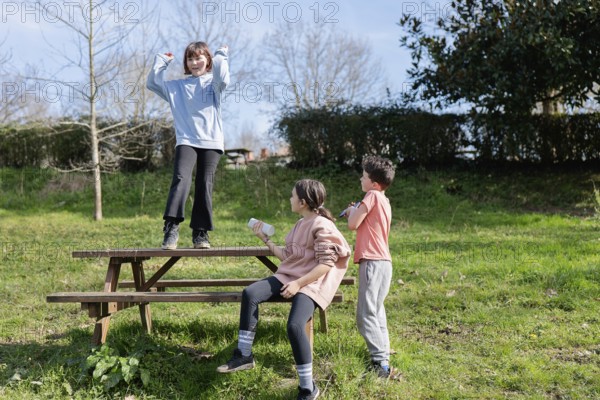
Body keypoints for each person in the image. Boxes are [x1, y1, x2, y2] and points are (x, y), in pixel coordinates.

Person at [217, 179, 351, 400]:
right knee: (250, 293)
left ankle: (308, 388)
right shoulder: (300, 224)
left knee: (295, 326)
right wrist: (265, 239)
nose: (289, 199)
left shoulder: (322, 225)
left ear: (303, 202)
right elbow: (288, 257)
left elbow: (326, 264)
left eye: (292, 196)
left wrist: (299, 284)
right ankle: (244, 355)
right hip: (288, 276)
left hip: (311, 283)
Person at [147, 41, 230, 250]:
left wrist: (221, 55)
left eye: (199, 58)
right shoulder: (177, 88)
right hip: (186, 140)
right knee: (181, 179)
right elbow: (153, 83)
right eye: (190, 58)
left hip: (211, 141)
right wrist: (162, 61)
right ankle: (171, 227)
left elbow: (222, 73)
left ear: (207, 60)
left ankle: (200, 234)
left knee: (204, 184)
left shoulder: (214, 85)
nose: (194, 62)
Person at [342, 155, 395, 379]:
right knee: (377, 311)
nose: (360, 179)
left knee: (365, 315)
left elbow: (353, 225)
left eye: (363, 176)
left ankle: (380, 364)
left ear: (373, 183)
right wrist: (357, 209)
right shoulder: (383, 198)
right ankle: (383, 358)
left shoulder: (371, 195)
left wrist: (350, 212)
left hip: (372, 262)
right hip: (384, 262)